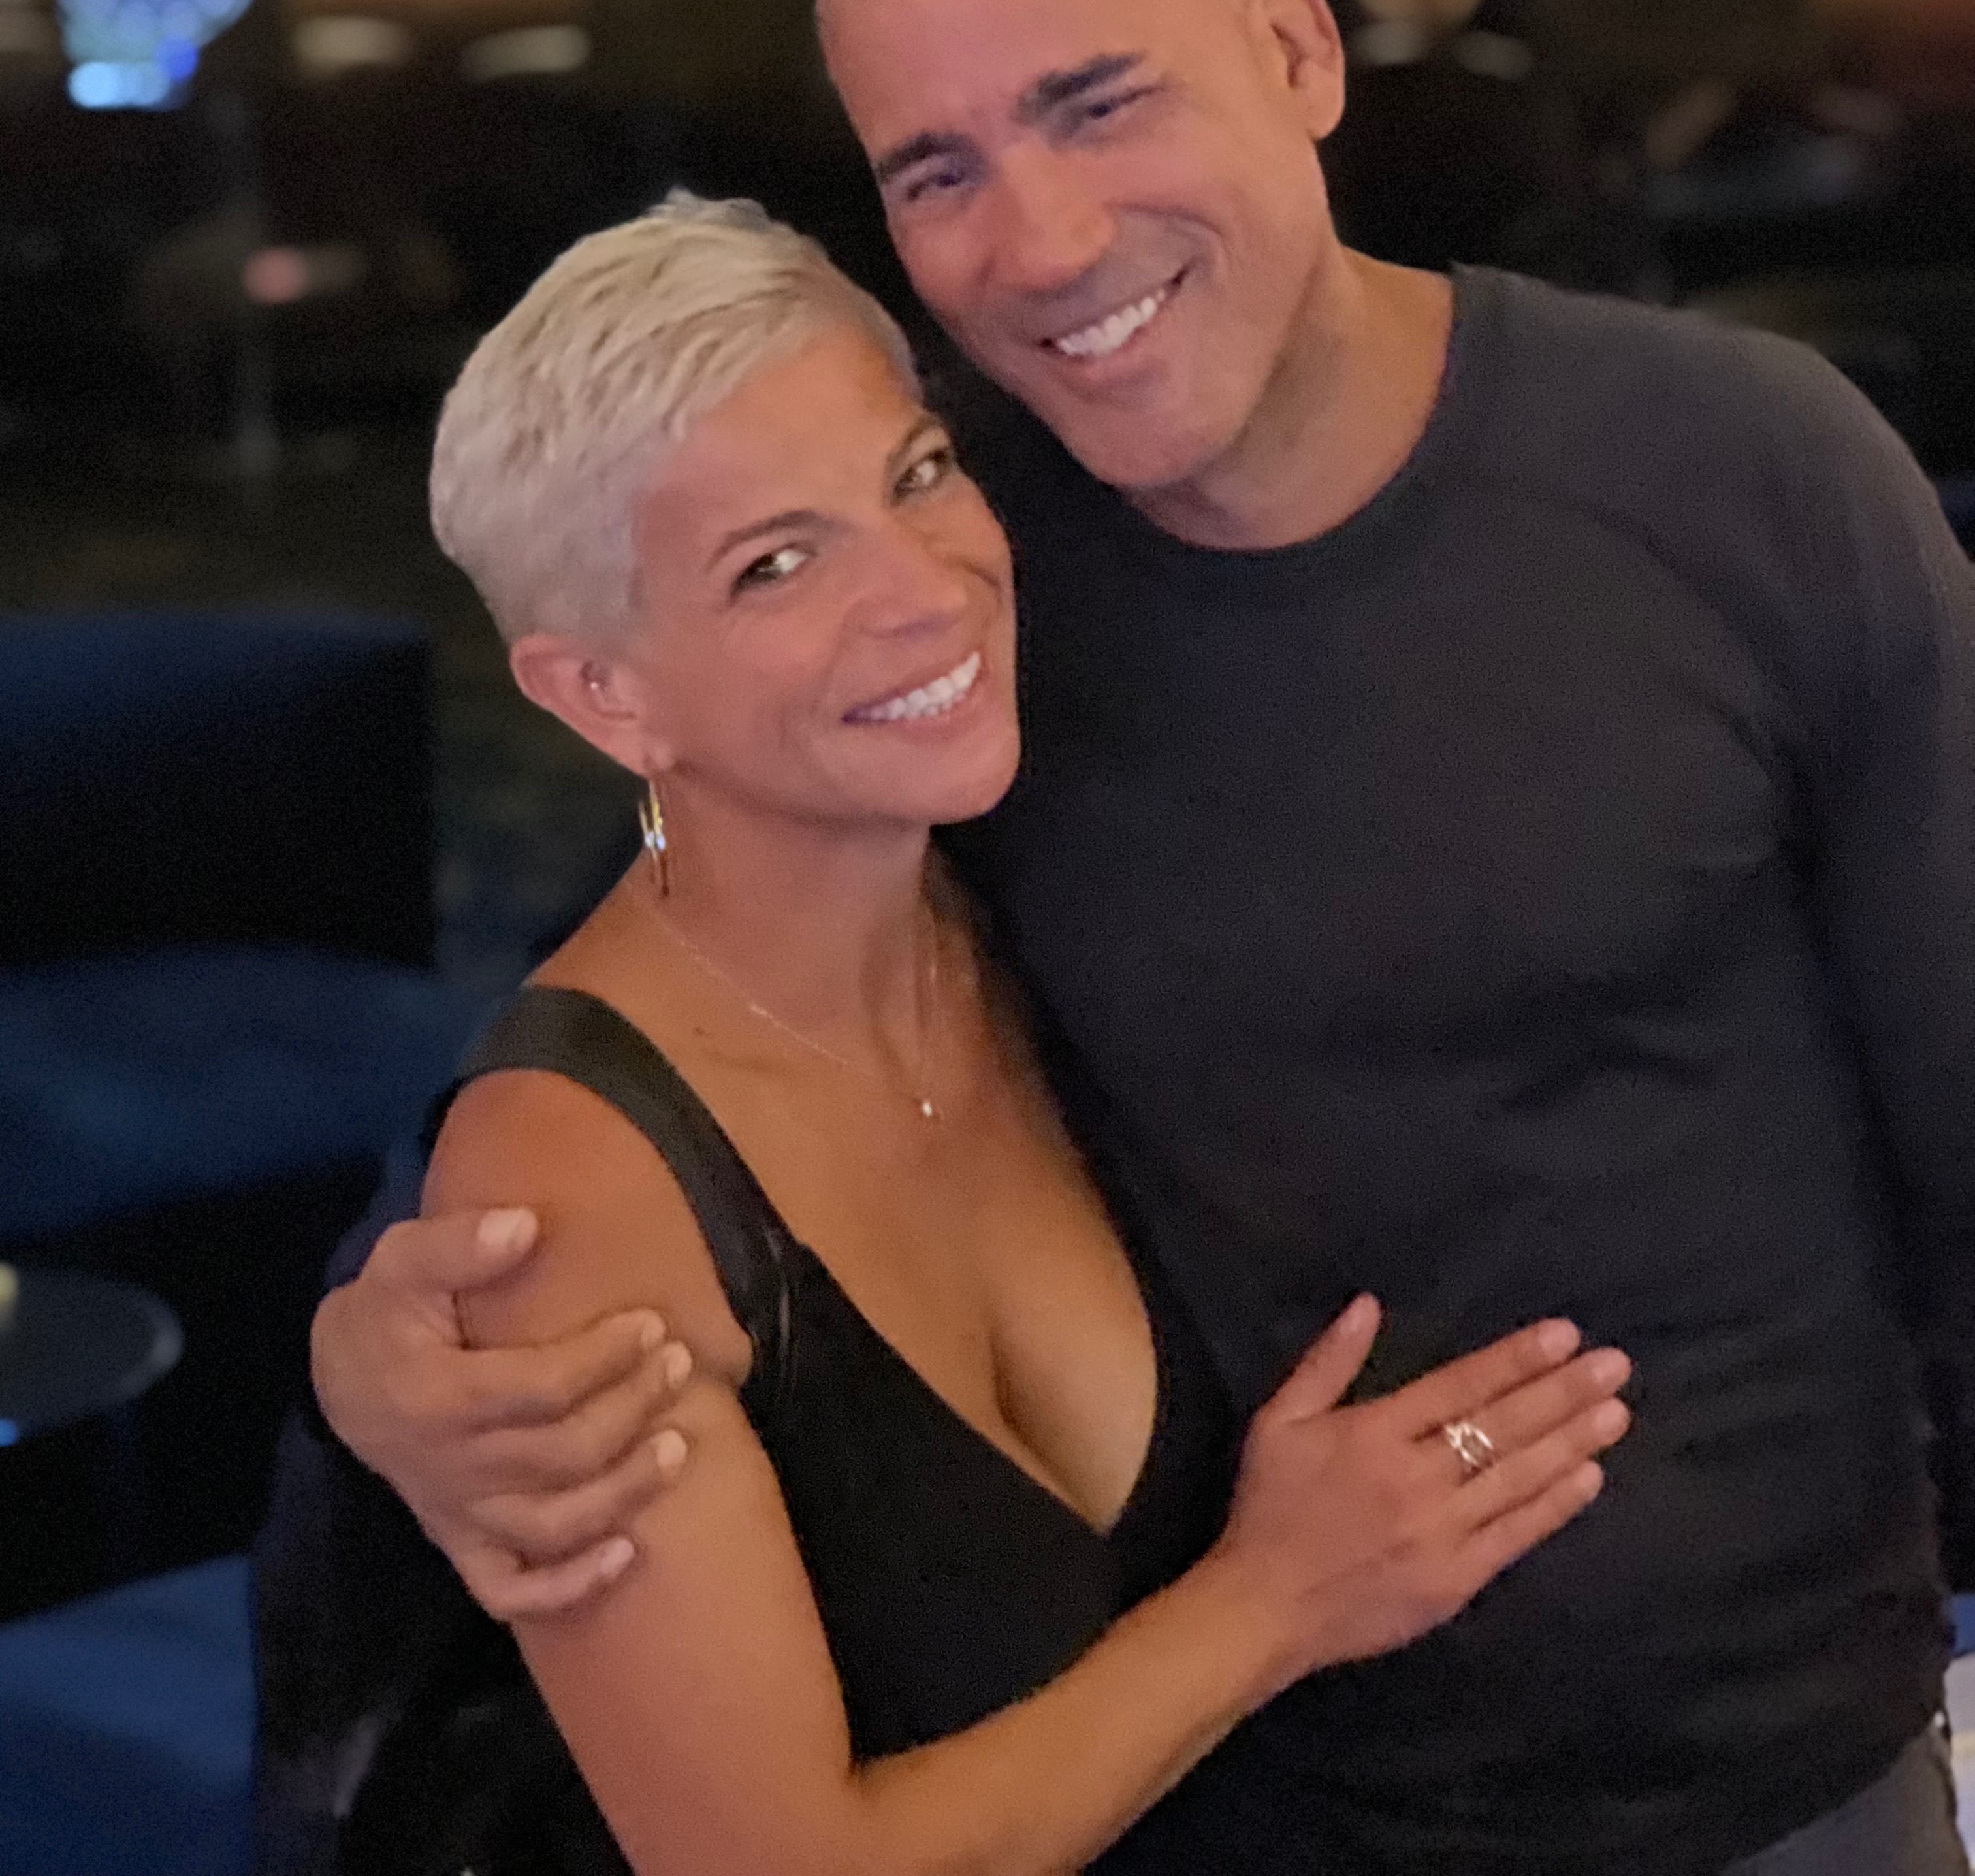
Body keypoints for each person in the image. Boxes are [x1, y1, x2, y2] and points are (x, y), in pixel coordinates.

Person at [308, 0, 1975, 1874]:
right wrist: (384, 1353)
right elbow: (659, 1023)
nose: (1043, 242)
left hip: (1786, 1785)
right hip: (1231, 1811)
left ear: (1295, 46)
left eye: (1101, 106)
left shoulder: (1739, 475)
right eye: (939, 171)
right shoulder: (953, 600)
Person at [274, 191, 1630, 1874]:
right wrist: (1273, 1603)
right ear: (602, 694)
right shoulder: (584, 1192)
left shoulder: (1038, 883)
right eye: (775, 565)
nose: (925, 589)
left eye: (915, 473)